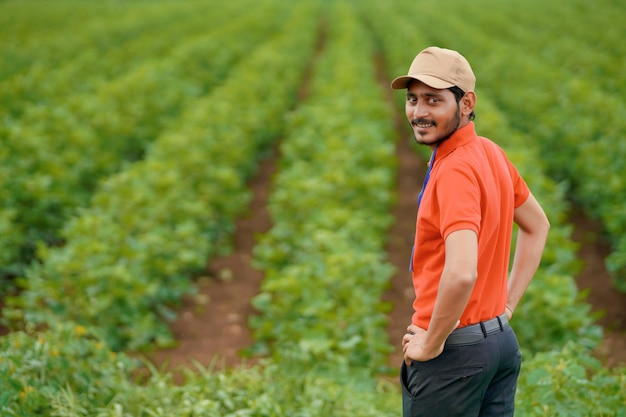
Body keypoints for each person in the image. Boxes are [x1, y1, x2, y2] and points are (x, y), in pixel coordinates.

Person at [390, 46, 550, 417]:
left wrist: (432, 343)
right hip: (499, 344)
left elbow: (462, 272)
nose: (419, 112)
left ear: (466, 103)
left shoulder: (454, 171)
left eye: (434, 99)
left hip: (455, 355)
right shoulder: (490, 152)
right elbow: (537, 225)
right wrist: (506, 305)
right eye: (413, 99)